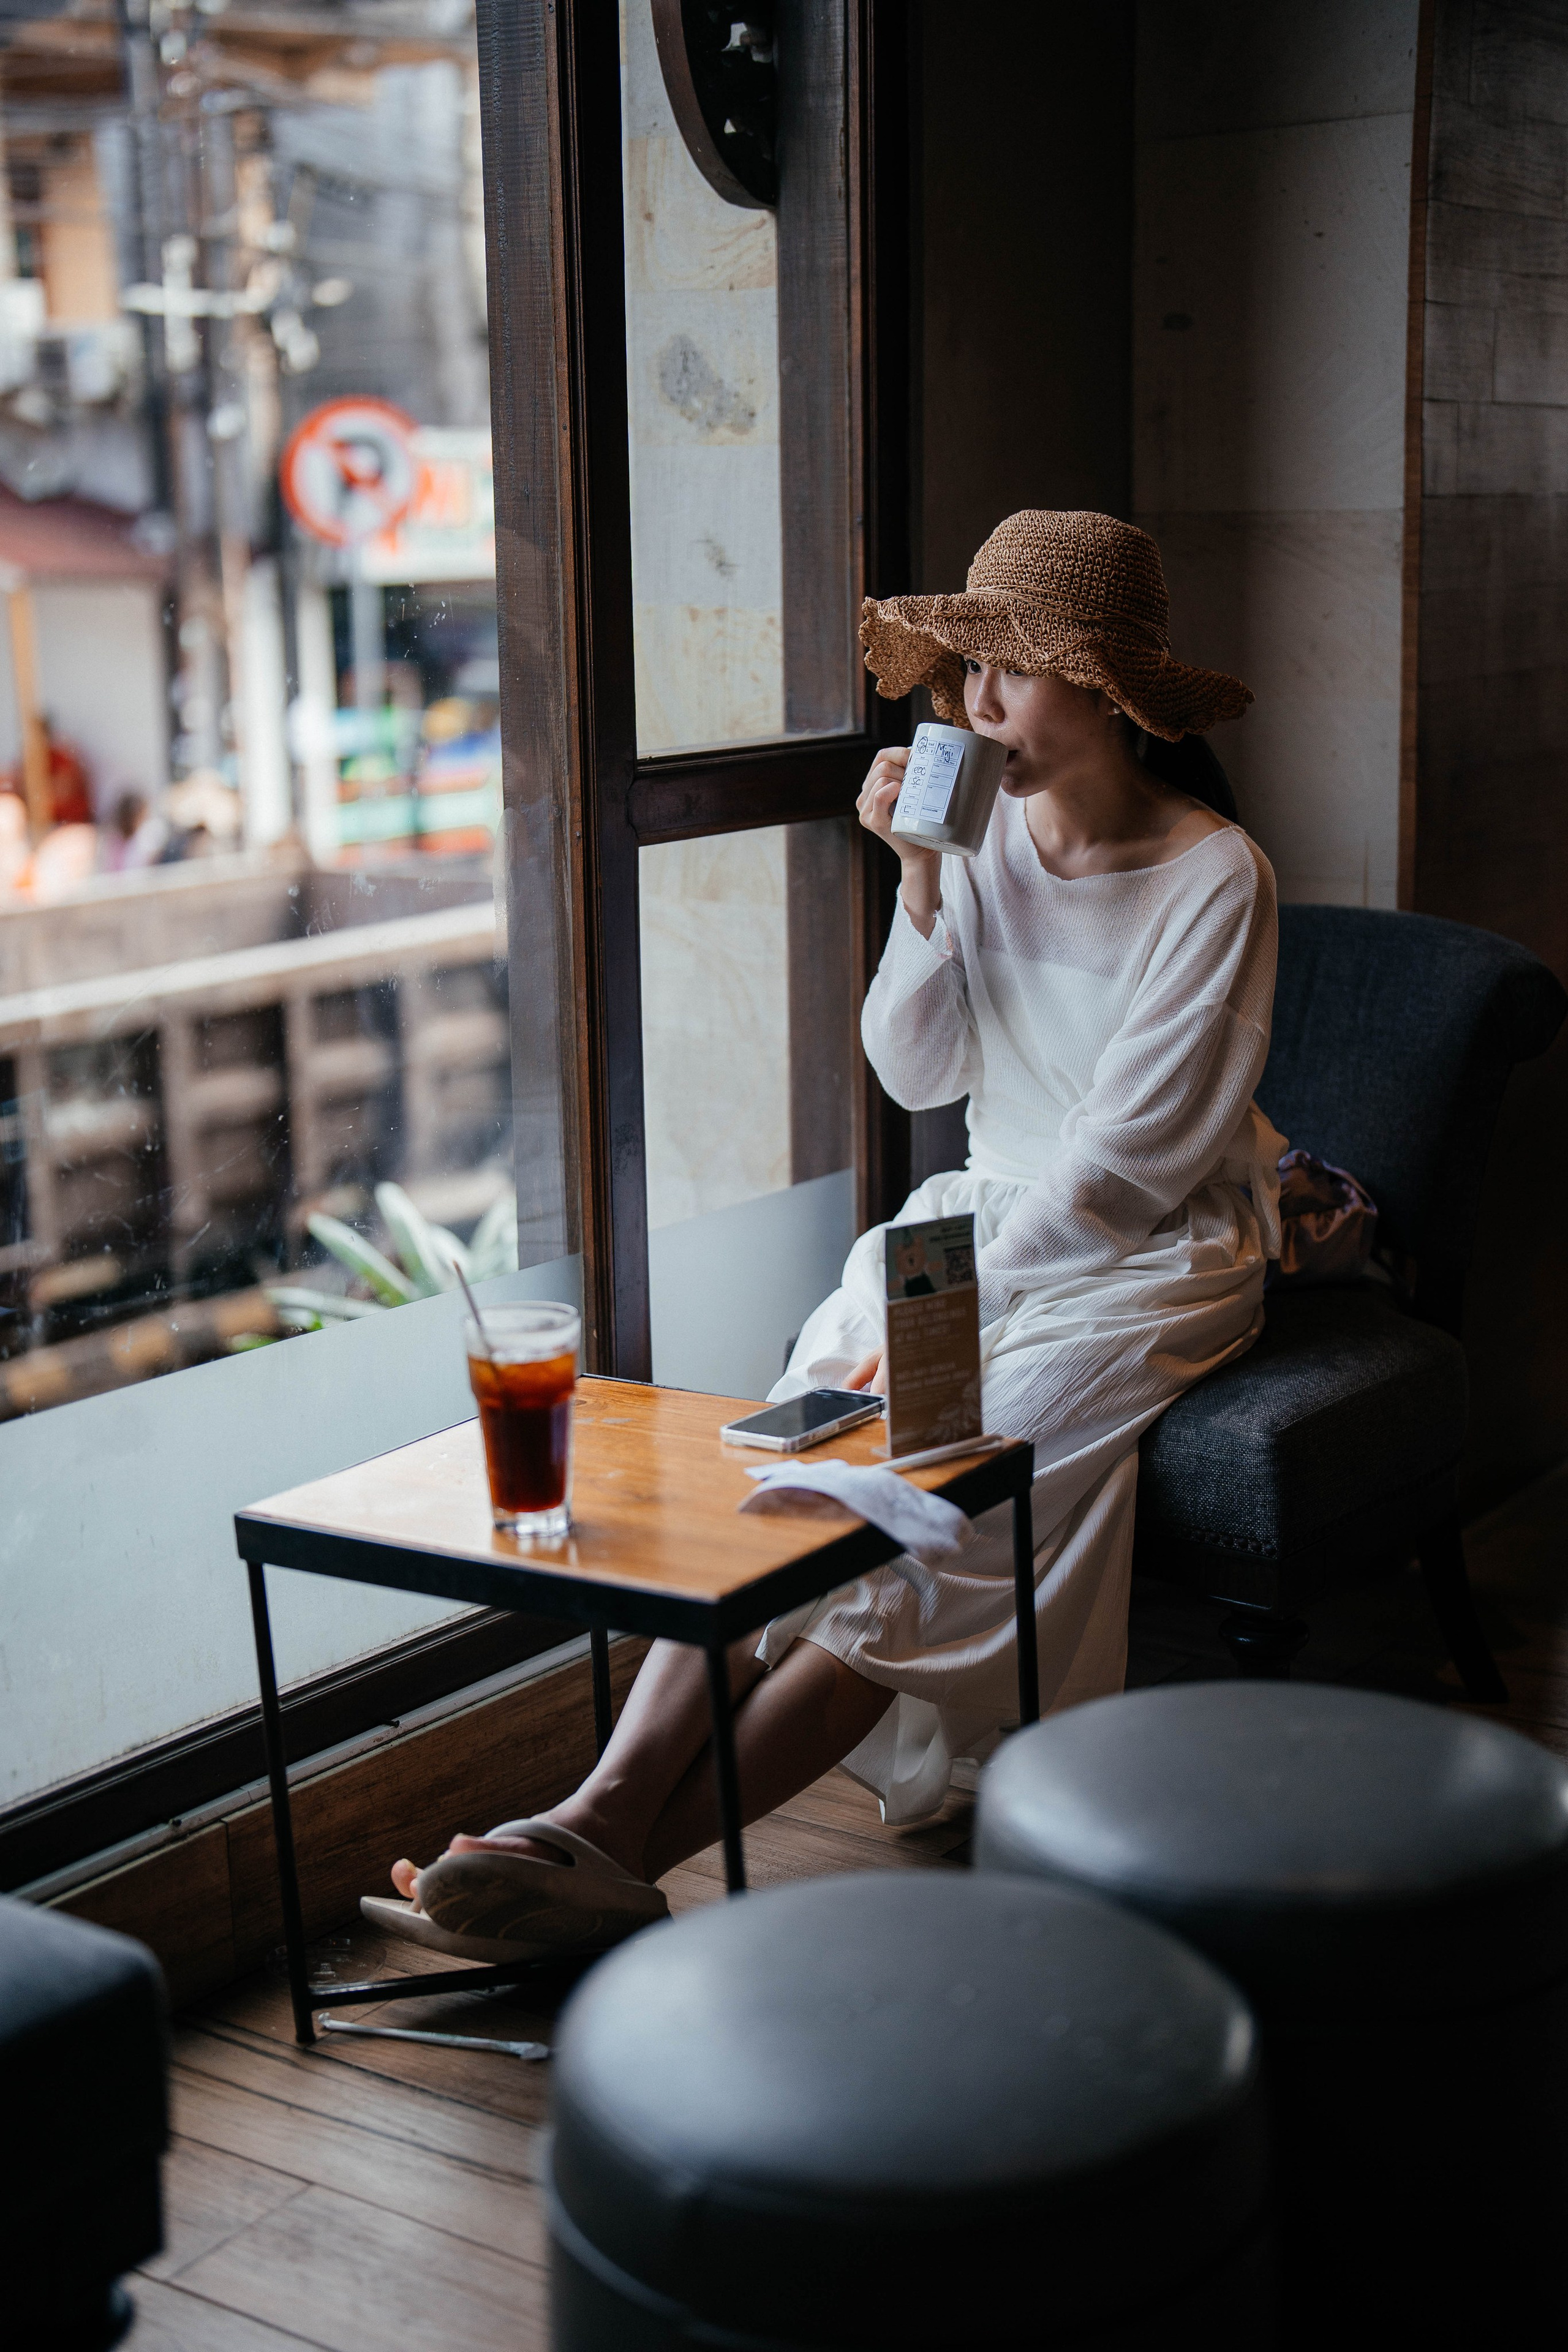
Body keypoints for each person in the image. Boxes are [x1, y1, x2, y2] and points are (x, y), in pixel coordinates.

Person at [366, 509, 1286, 1961]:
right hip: (971, 1227)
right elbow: (915, 1074)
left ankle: (610, 1856)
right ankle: (595, 1814)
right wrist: (920, 881)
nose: (972, 703)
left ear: (1106, 686)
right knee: (785, 1468)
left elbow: (1122, 1171)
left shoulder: (1214, 874)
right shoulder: (973, 840)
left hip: (1139, 1257)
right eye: (962, 670)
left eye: (1011, 670)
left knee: (934, 1511)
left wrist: (951, 1318)